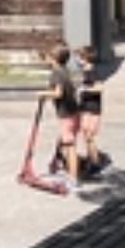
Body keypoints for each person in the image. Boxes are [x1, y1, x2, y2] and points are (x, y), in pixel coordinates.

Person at [44, 43, 81, 183]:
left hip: (66, 115)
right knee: (64, 143)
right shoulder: (65, 71)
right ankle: (65, 168)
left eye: (48, 56)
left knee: (69, 147)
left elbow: (58, 93)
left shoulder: (56, 73)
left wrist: (43, 94)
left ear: (53, 58)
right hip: (74, 112)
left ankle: (73, 178)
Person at [75, 46, 106, 178]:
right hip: (85, 107)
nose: (77, 60)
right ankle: (91, 160)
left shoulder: (93, 71)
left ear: (85, 58)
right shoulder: (85, 71)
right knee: (86, 134)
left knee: (89, 136)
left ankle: (95, 162)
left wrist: (84, 90)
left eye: (79, 57)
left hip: (93, 108)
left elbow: (99, 88)